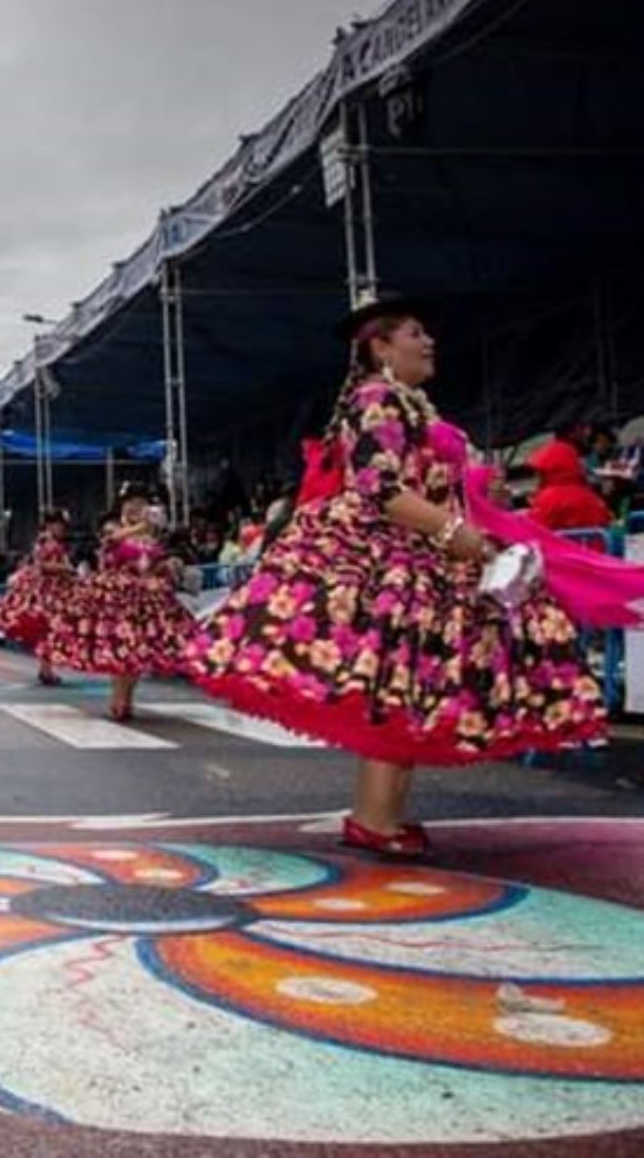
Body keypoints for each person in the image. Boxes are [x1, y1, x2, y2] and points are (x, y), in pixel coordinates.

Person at [187, 297, 606, 857]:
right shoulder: (377, 399)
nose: (428, 340)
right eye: (414, 331)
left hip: (422, 553)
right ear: (379, 346)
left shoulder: (412, 405)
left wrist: (477, 498)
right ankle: (374, 818)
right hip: (387, 556)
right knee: (395, 680)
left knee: (409, 682)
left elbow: (423, 480)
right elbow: (379, 489)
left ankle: (379, 816)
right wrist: (464, 537)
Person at [46, 483, 192, 722]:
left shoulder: (151, 535)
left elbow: (153, 563)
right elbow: (110, 540)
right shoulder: (114, 526)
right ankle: (118, 697)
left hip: (147, 598)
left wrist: (169, 565)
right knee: (121, 651)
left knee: (137, 653)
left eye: (142, 503)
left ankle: (127, 698)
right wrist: (141, 527)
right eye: (131, 502)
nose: (137, 507)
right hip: (117, 598)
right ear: (122, 505)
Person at [0, 509, 77, 685]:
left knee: (48, 630)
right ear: (51, 524)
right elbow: (43, 565)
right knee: (47, 629)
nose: (62, 529)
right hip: (46, 592)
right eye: (59, 525)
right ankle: (46, 670)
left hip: (52, 590)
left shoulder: (50, 541)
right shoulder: (46, 540)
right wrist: (67, 569)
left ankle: (45, 669)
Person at [528, 426, 613, 533]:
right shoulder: (590, 496)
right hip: (592, 549)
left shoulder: (546, 499)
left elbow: (534, 531)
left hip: (560, 549)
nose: (536, 476)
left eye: (539, 472)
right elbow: (607, 521)